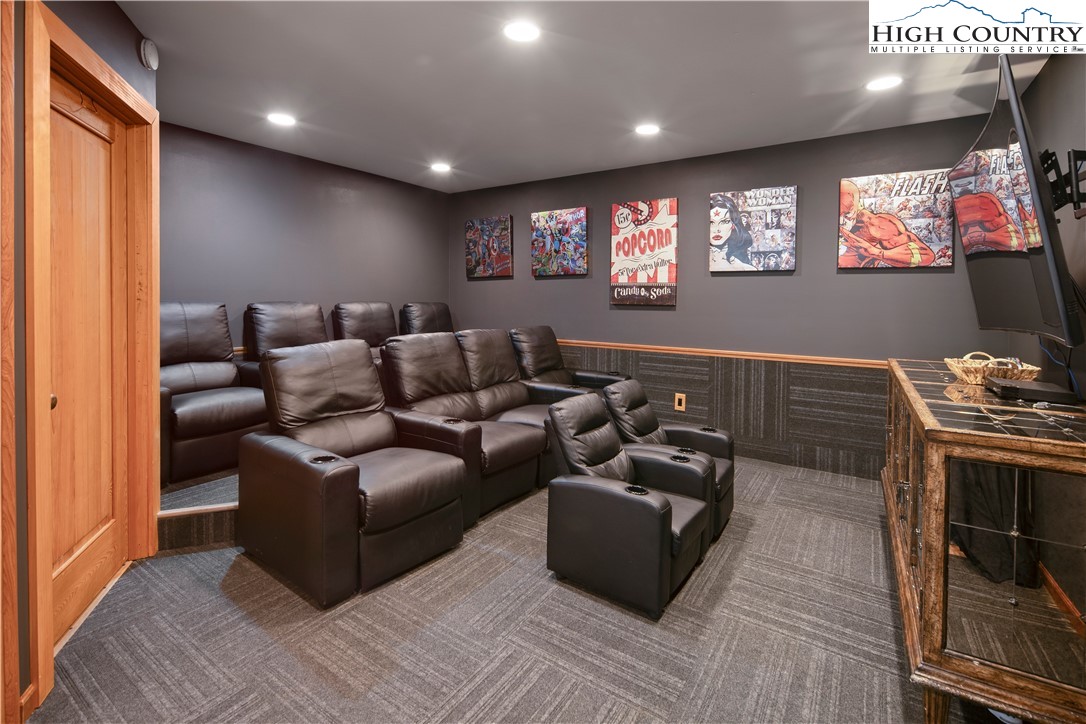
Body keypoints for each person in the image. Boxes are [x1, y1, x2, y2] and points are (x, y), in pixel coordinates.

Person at [838, 179, 935, 268]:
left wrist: (877, 253)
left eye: (846, 213)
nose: (842, 220)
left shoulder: (876, 225)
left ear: (855, 206)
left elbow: (926, 255)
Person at [709, 194, 755, 271]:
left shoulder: (745, 268)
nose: (717, 229)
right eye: (711, 222)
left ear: (733, 225)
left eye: (724, 221)